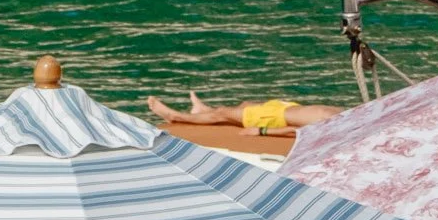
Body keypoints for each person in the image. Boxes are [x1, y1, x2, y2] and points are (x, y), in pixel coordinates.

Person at [146, 92, 343, 132]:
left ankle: (175, 116)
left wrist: (261, 131)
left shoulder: (332, 126)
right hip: (287, 107)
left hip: (275, 118)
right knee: (245, 104)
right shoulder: (348, 117)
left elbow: (295, 131)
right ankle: (203, 110)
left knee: (223, 113)